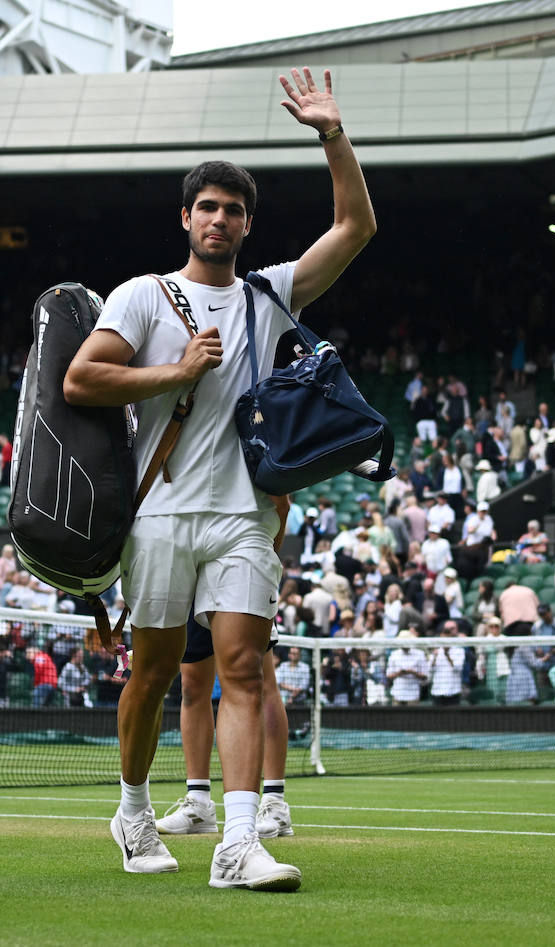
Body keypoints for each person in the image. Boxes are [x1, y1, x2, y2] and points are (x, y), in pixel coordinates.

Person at [64, 67, 374, 889]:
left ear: (245, 226)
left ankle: (238, 843)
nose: (221, 219)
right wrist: (172, 371)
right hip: (159, 511)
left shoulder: (271, 296)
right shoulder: (142, 296)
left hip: (243, 512)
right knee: (155, 673)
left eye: (235, 210)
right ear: (186, 218)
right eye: (209, 207)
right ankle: (132, 807)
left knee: (241, 666)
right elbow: (82, 381)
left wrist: (331, 133)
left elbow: (354, 227)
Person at [155, 613, 295, 841]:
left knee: (259, 678)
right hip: (193, 586)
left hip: (239, 582)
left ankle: (275, 802)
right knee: (191, 686)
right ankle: (198, 804)